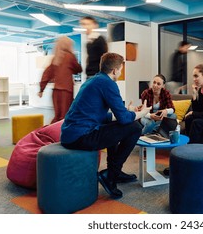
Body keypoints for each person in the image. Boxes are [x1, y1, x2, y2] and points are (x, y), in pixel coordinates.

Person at [60, 53, 151, 199]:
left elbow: (103, 116)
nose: (121, 73)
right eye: (121, 69)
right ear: (114, 70)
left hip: (71, 134)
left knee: (115, 123)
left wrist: (128, 111)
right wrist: (143, 113)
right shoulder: (108, 83)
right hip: (81, 137)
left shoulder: (94, 80)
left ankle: (113, 171)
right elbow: (124, 119)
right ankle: (111, 174)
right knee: (135, 127)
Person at [38, 36, 82, 124]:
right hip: (66, 91)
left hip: (56, 91)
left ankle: (50, 133)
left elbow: (46, 74)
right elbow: (78, 69)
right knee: (65, 116)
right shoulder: (70, 56)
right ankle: (61, 136)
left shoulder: (55, 59)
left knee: (57, 116)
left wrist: (41, 89)